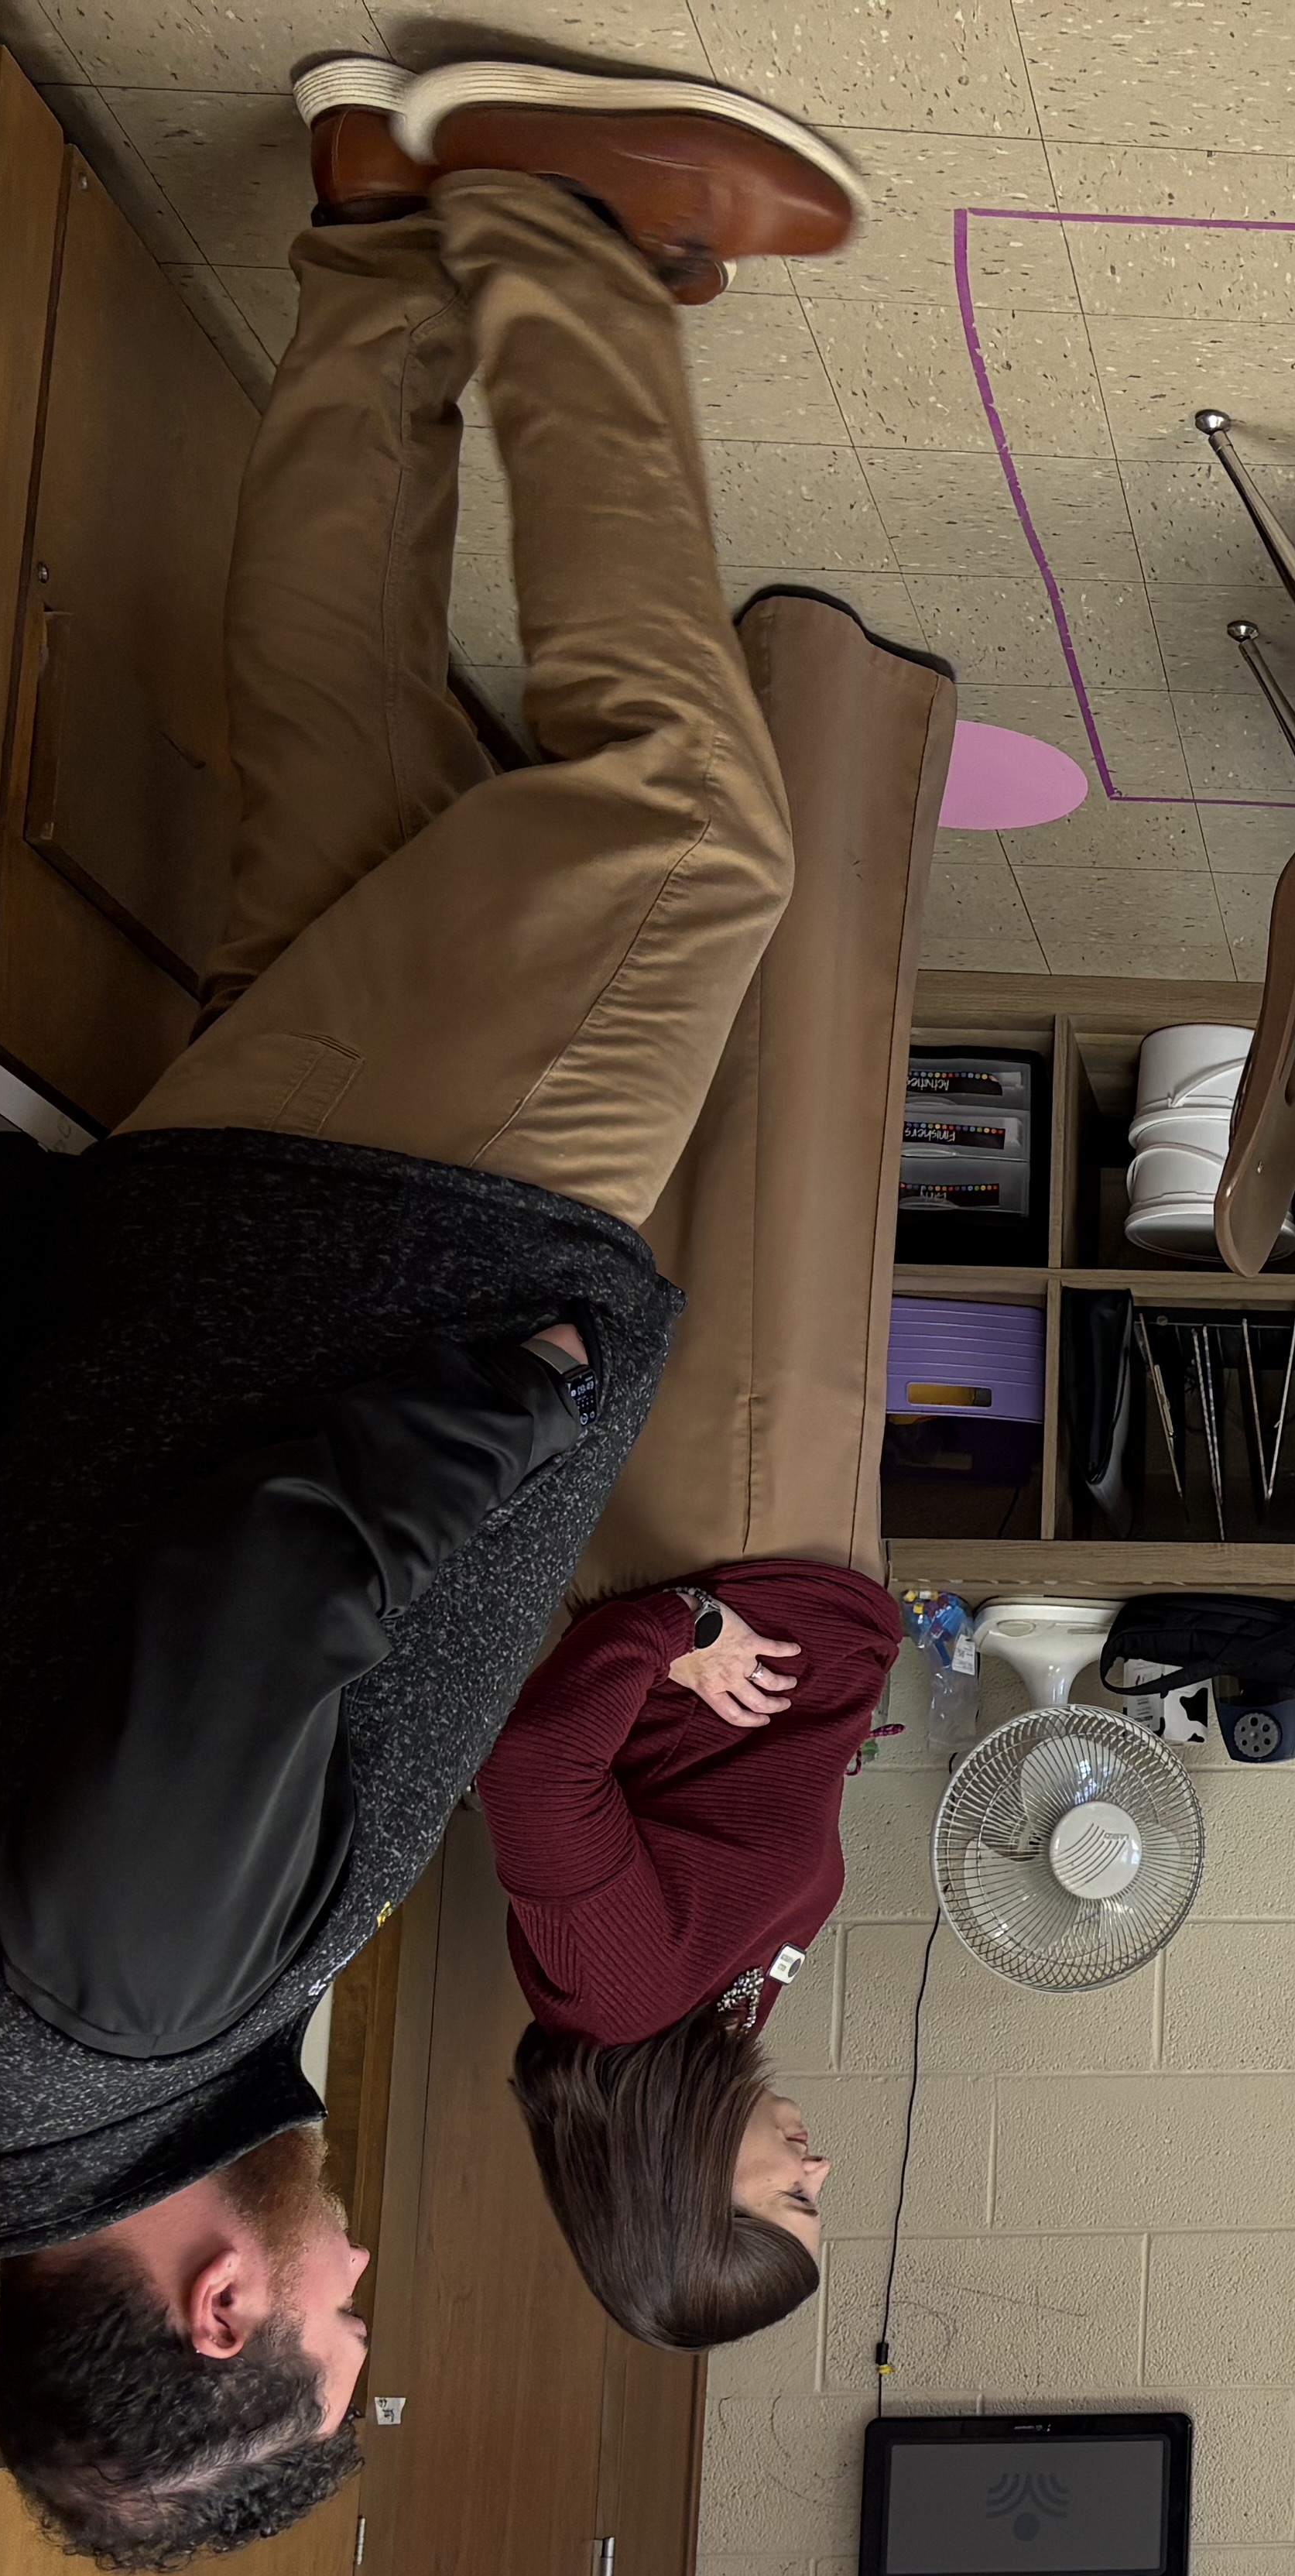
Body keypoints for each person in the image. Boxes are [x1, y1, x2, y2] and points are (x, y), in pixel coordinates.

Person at [0, 53, 868, 2571]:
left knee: (703, 841)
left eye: (342, 2322)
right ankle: (372, 227)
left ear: (219, 2315)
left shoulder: (116, 2004)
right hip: (242, 1236)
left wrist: (507, 1399)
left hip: (388, 1256)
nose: (367, 2278)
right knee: (349, 747)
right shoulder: (17, 2066)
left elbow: (270, 1579)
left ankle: (547, 220)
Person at [480, 586, 956, 2351]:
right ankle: (785, 718)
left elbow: (536, 1773)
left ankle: (812, 694)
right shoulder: (687, 2017)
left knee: (792, 1108)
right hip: (793, 1546)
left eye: (791, 2195)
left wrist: (673, 1626)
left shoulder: (619, 1995)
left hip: (733, 1529)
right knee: (785, 1121)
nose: (821, 2165)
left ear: (685, 2181)